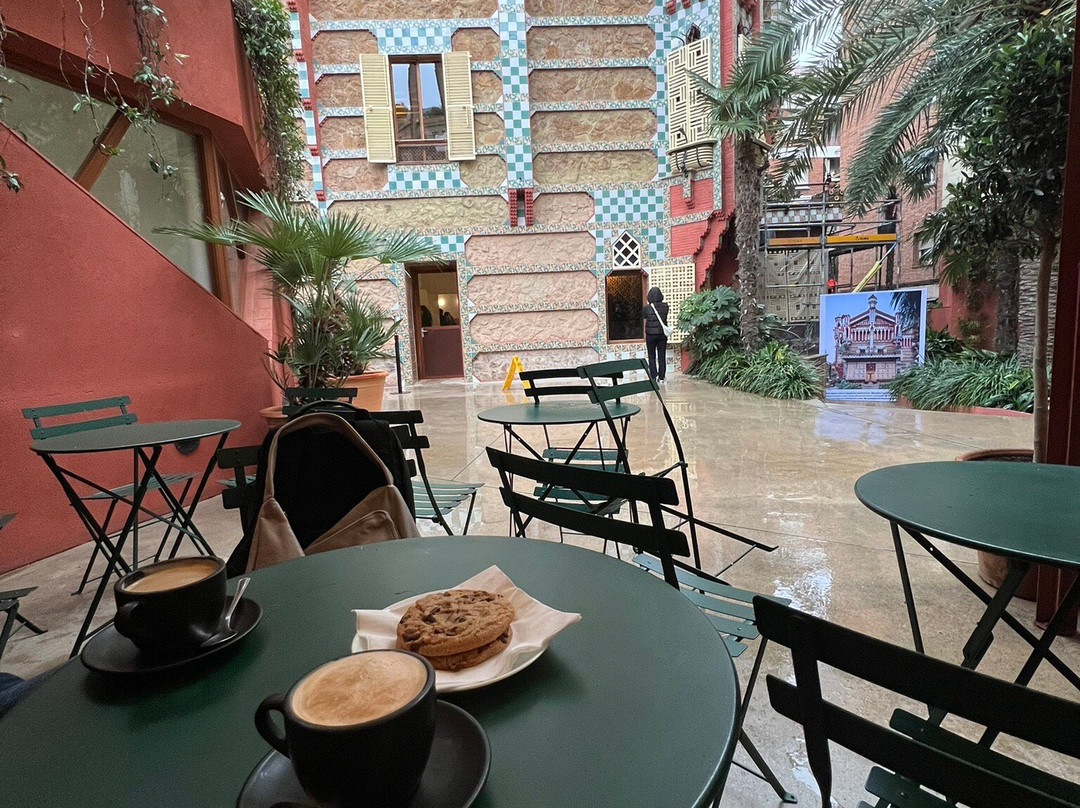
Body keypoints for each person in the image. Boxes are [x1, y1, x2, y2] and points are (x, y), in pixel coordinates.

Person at [642, 286, 669, 384]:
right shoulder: (666, 307)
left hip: (650, 334)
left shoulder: (646, 308)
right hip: (662, 334)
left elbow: (644, 318)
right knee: (662, 355)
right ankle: (661, 378)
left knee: (651, 356)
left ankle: (654, 376)